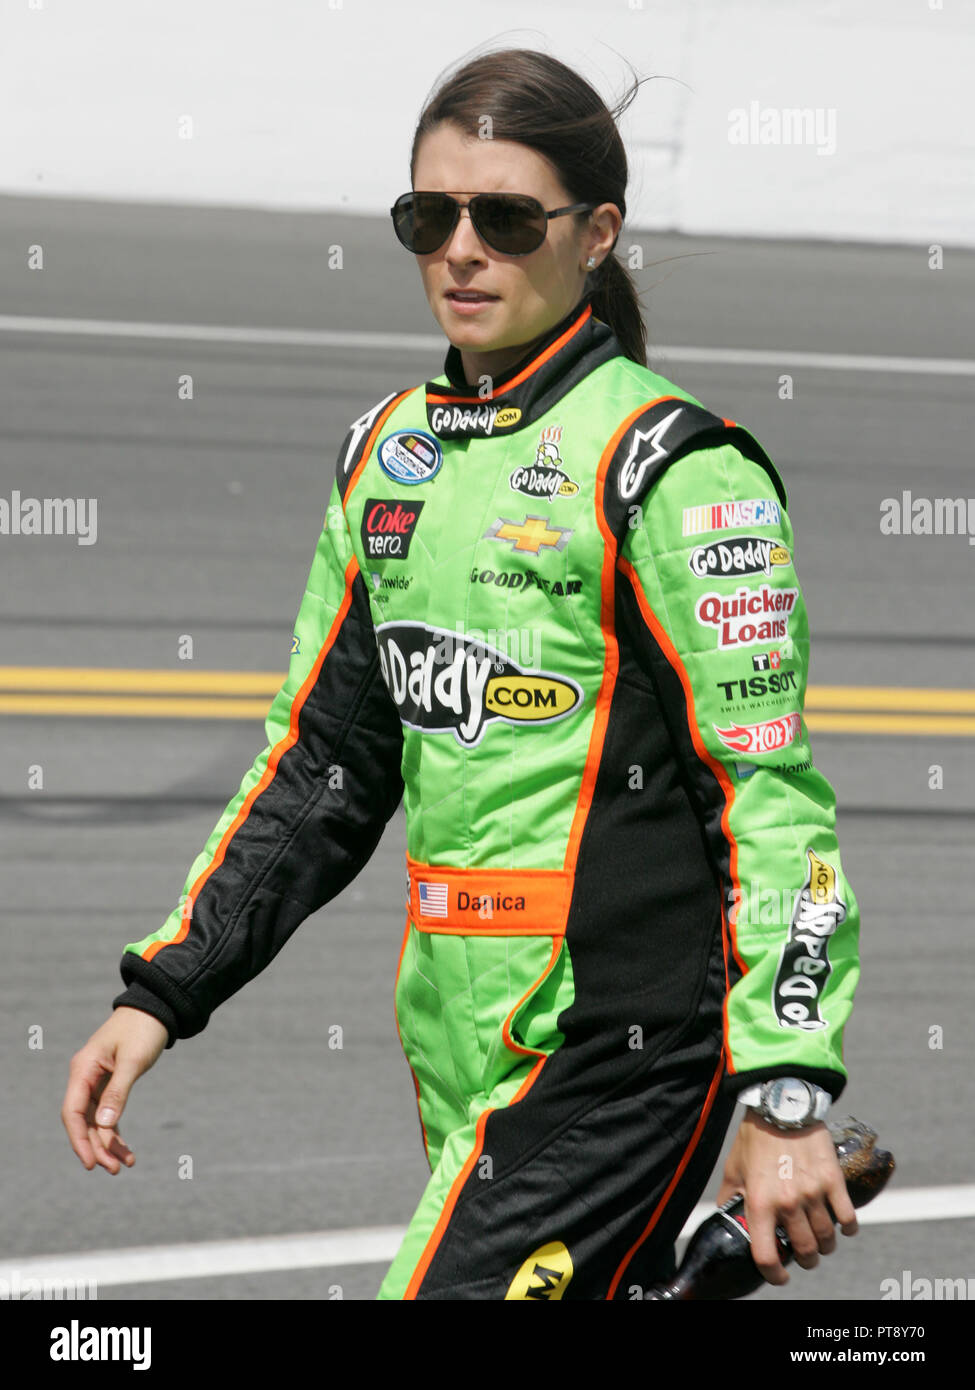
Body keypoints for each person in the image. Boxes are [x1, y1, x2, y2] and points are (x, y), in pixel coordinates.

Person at [62, 47, 861, 1301]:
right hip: (452, 1024)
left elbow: (771, 802)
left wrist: (785, 1086)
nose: (462, 250)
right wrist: (166, 987)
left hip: (617, 1041)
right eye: (430, 217)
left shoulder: (675, 467)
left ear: (596, 234)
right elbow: (323, 765)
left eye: (504, 217)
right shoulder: (387, 456)